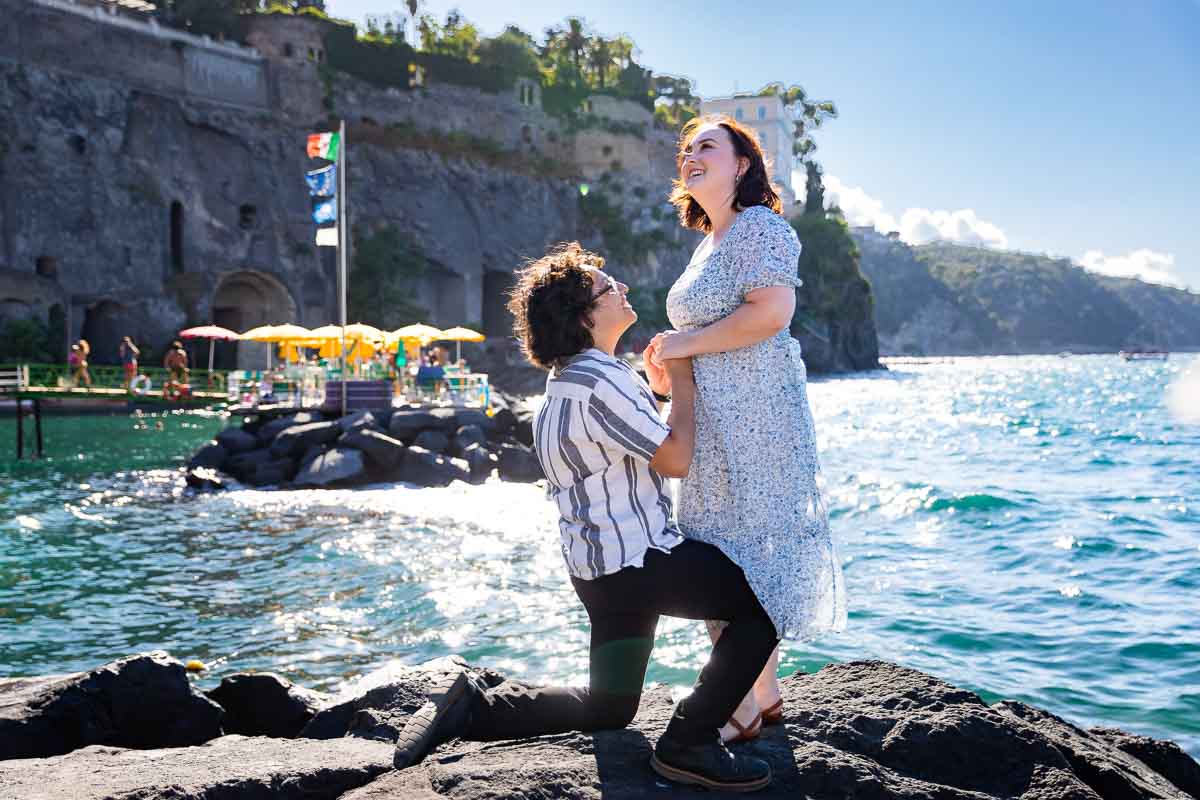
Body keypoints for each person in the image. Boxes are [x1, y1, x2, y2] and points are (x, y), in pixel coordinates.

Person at [392, 242, 779, 793]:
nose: (620, 289)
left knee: (609, 709)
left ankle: (475, 707)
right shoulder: (603, 380)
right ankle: (689, 742)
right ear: (584, 316)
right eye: (607, 287)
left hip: (599, 575)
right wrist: (685, 377)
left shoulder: (563, 385)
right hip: (641, 563)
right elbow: (674, 459)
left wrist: (659, 394)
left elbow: (629, 443)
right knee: (761, 609)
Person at [648, 114, 848, 743]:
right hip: (711, 426)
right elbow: (702, 342)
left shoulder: (760, 226)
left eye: (708, 145)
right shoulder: (708, 245)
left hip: (758, 420)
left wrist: (685, 341)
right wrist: (667, 361)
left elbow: (772, 313)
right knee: (720, 558)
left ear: (742, 164)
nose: (692, 155)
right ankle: (762, 696)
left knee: (748, 559)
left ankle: (738, 701)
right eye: (687, 149)